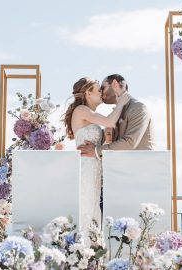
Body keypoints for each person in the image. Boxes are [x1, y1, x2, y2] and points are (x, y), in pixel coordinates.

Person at [63, 77, 130, 243]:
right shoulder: (81, 110)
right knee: (86, 207)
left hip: (94, 167)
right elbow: (109, 121)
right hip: (86, 167)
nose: (101, 92)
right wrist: (121, 102)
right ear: (88, 93)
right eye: (98, 90)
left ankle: (92, 252)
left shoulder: (88, 113)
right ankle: (82, 250)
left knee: (93, 209)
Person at [78, 74, 154, 159]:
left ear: (115, 84)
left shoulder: (138, 108)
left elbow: (130, 142)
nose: (101, 92)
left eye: (103, 88)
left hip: (140, 168)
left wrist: (96, 151)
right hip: (120, 167)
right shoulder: (116, 112)